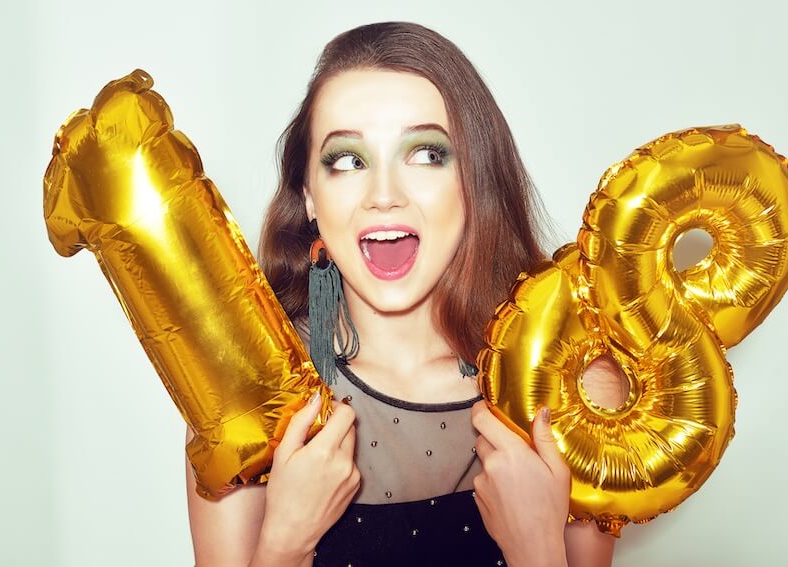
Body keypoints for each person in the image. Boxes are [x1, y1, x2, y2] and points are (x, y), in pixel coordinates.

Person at [186, 21, 626, 567]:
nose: (384, 195)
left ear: (475, 181)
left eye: (425, 154)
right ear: (310, 197)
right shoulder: (242, 391)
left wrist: (537, 548)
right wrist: (285, 542)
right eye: (347, 160)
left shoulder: (574, 388)